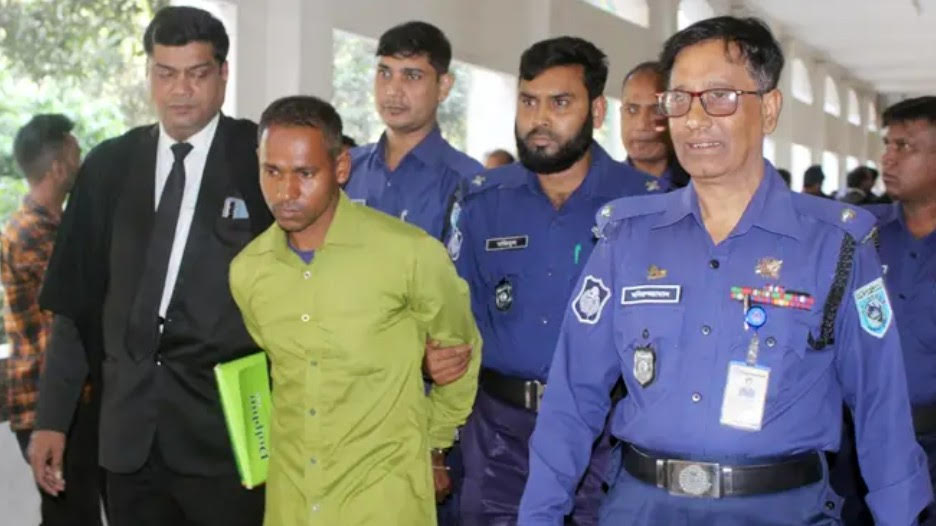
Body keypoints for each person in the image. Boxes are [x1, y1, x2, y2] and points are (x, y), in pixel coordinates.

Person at [519, 16, 932, 525]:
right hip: (642, 509)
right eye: (679, 99)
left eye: (719, 97)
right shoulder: (626, 238)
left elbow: (880, 409)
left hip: (780, 512)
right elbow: (572, 397)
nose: (694, 120)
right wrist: (538, 515)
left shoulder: (835, 245)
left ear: (770, 108)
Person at [28, 7, 272, 525]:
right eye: (165, 73)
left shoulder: (260, 160)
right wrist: (52, 420)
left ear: (223, 74)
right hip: (128, 440)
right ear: (149, 75)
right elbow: (74, 305)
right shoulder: (108, 167)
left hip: (227, 442)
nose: (180, 90)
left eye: (197, 73)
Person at [229, 95, 481, 525]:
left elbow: (461, 350)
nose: (286, 192)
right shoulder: (248, 272)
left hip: (383, 499)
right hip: (292, 502)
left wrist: (434, 443)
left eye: (305, 174)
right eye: (272, 172)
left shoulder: (410, 254)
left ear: (341, 168)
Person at [449, 36, 662, 526]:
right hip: (500, 434)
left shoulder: (645, 207)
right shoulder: (483, 201)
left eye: (560, 103)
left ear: (597, 111)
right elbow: (453, 318)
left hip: (607, 436)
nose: (539, 119)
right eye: (529, 102)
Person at [838, 96, 936, 526]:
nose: (888, 158)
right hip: (854, 444)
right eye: (888, 144)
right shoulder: (857, 234)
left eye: (905, 146)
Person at [2, 114, 103, 525]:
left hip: (68, 397)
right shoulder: (34, 234)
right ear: (59, 167)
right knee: (70, 515)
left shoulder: (53, 226)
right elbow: (75, 311)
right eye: (76, 156)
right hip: (52, 401)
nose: (81, 164)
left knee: (76, 511)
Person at [344, 20, 483, 241]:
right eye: (385, 73)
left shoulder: (468, 182)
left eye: (412, 76)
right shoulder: (345, 170)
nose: (392, 91)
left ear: (443, 86)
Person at [619, 61, 690, 190]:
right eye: (632, 110)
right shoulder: (600, 186)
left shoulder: (701, 185)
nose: (641, 125)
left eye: (657, 110)